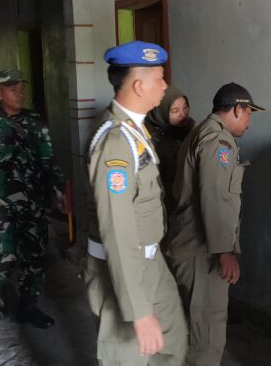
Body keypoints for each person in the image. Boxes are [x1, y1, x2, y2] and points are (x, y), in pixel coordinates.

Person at [84, 40, 187, 365]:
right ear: (139, 86)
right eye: (159, 78)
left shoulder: (134, 131)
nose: (165, 85)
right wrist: (138, 311)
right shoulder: (115, 143)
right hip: (124, 267)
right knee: (127, 356)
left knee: (172, 344)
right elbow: (118, 230)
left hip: (150, 261)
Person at [167, 82, 265, 365]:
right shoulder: (217, 141)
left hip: (190, 245)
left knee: (195, 327)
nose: (249, 122)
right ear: (237, 109)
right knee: (207, 337)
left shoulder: (201, 132)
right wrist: (224, 251)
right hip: (201, 253)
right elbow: (215, 197)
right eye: (248, 114)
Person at [0, 68, 66, 329]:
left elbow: (48, 159)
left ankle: (28, 306)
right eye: (12, 89)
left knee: (36, 255)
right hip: (0, 204)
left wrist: (59, 190)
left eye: (21, 88)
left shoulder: (35, 122)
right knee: (3, 254)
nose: (19, 94)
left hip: (34, 201)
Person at [146, 85, 195, 213]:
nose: (182, 114)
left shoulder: (191, 131)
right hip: (162, 205)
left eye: (185, 107)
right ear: (161, 111)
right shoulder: (151, 140)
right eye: (175, 111)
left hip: (186, 204)